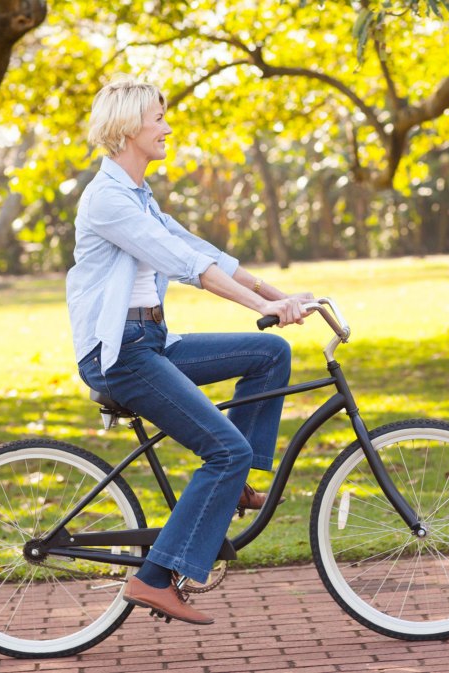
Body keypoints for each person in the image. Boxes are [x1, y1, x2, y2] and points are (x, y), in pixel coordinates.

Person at [67, 78, 312, 625]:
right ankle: (154, 579)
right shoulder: (108, 199)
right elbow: (187, 267)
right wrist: (260, 303)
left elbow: (204, 252)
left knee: (268, 355)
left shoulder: (139, 196)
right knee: (226, 449)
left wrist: (283, 297)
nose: (167, 127)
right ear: (130, 126)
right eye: (159, 117)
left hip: (151, 342)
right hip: (120, 355)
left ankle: (236, 486)